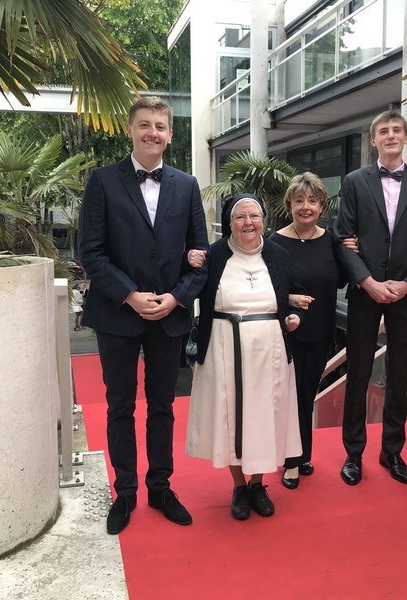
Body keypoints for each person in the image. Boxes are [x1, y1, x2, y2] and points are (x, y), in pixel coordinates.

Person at [79, 96, 209, 534]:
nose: (153, 132)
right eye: (145, 125)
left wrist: (176, 298)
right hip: (118, 313)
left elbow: (200, 255)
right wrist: (131, 296)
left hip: (168, 314)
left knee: (162, 406)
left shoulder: (186, 185)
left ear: (170, 134)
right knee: (119, 406)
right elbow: (91, 252)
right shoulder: (102, 181)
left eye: (160, 126)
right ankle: (125, 491)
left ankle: (160, 487)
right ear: (130, 130)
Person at [332, 110, 407, 487]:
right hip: (364, 293)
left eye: (397, 130)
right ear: (373, 140)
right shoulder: (354, 181)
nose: (391, 135)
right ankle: (353, 453)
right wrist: (367, 281)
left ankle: (392, 451)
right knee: (358, 373)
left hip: (405, 295)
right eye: (384, 131)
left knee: (398, 373)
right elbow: (342, 237)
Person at [185, 193, 303, 521]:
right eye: (240, 217)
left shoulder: (279, 255)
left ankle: (258, 484)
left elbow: (291, 296)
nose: (248, 223)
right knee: (231, 418)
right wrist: (187, 258)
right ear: (229, 222)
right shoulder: (214, 255)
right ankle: (239, 486)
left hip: (270, 352)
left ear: (264, 220)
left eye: (254, 216)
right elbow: (189, 285)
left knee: (264, 417)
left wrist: (295, 316)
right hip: (224, 347)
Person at [268, 172, 350, 489]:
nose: (306, 207)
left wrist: (353, 248)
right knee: (290, 396)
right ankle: (292, 461)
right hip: (284, 332)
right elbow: (264, 287)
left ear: (321, 206)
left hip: (320, 331)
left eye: (313, 201)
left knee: (306, 394)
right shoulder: (274, 243)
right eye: (299, 200)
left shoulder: (331, 241)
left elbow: (343, 279)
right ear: (289, 205)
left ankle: (301, 454)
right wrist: (288, 298)